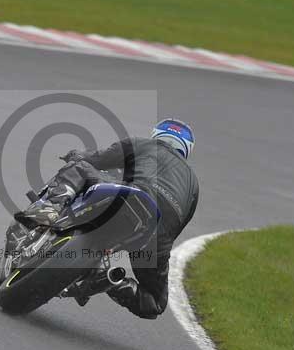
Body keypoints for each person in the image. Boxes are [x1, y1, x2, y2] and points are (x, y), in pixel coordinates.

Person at [14, 119, 200, 319]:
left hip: (130, 195)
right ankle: (115, 283)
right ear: (187, 149)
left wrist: (75, 155)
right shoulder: (193, 184)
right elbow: (178, 225)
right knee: (154, 301)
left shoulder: (142, 143)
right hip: (157, 229)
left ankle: (49, 208)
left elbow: (98, 159)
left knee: (80, 165)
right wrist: (157, 248)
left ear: (157, 134)